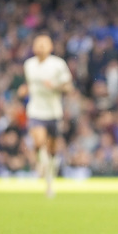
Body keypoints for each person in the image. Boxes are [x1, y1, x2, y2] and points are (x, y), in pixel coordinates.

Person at [18, 34, 73, 198]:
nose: (40, 47)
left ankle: (49, 182)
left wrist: (55, 86)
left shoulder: (58, 64)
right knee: (39, 141)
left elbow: (69, 87)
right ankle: (40, 165)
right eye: (37, 44)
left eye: (44, 44)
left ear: (50, 47)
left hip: (54, 112)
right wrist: (25, 89)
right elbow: (30, 84)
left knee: (53, 151)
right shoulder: (29, 65)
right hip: (36, 111)